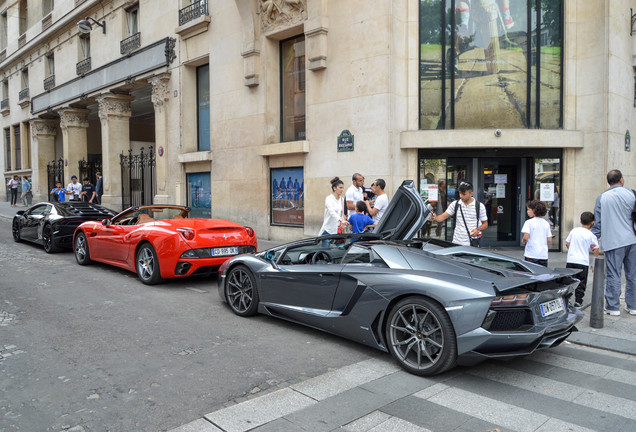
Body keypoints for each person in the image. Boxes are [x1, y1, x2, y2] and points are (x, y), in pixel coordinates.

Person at [591, 169, 636, 316]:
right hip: (632, 240)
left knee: (613, 274)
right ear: (621, 180)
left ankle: (613, 307)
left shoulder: (602, 198)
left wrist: (592, 241)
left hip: (613, 241)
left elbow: (597, 224)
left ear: (608, 181)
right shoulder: (632, 194)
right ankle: (633, 306)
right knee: (633, 275)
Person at [431, 181, 487, 246]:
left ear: (471, 193)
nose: (461, 196)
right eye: (460, 193)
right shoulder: (455, 204)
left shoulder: (479, 206)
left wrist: (477, 230)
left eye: (464, 194)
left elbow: (485, 224)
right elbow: (442, 217)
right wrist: (435, 217)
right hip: (456, 242)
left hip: (472, 243)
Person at [565, 211, 600, 308]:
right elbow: (596, 249)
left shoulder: (574, 231)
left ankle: (567, 299)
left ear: (580, 221)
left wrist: (572, 250)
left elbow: (567, 243)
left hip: (571, 259)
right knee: (581, 282)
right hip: (583, 261)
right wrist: (594, 261)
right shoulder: (591, 235)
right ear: (592, 222)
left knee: (569, 280)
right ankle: (578, 301)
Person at [521, 200, 552, 267]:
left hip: (531, 254)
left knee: (531, 274)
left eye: (529, 209)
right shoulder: (546, 223)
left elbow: (526, 236)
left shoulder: (529, 222)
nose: (527, 211)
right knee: (542, 274)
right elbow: (549, 239)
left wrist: (523, 240)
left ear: (534, 210)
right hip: (543, 255)